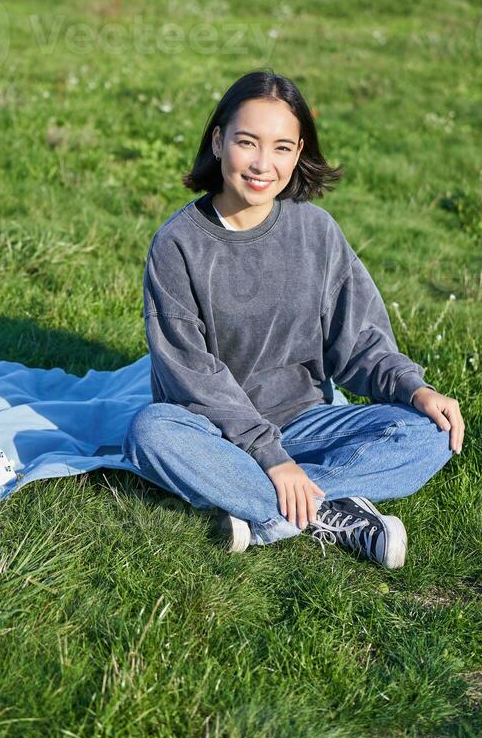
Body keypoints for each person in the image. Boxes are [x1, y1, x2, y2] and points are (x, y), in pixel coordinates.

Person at [121, 69, 465, 569]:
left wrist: (414, 389)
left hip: (307, 421)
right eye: (247, 142)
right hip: (215, 432)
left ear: (299, 151)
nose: (264, 164)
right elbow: (192, 377)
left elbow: (360, 341)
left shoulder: (316, 231)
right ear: (218, 142)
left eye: (282, 147)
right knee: (150, 433)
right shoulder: (177, 245)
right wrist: (269, 456)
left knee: (429, 432)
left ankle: (264, 513)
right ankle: (326, 509)